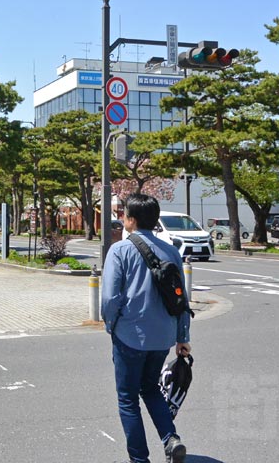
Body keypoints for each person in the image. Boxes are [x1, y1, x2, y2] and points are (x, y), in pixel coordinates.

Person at [102, 194, 192, 463]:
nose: (122, 219)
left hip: (130, 335)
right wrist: (182, 336)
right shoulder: (172, 251)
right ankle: (170, 438)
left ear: (131, 219)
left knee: (128, 398)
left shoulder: (119, 250)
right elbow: (181, 298)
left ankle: (139, 459)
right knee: (151, 388)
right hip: (163, 336)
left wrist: (112, 326)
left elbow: (109, 299)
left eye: (124, 214)